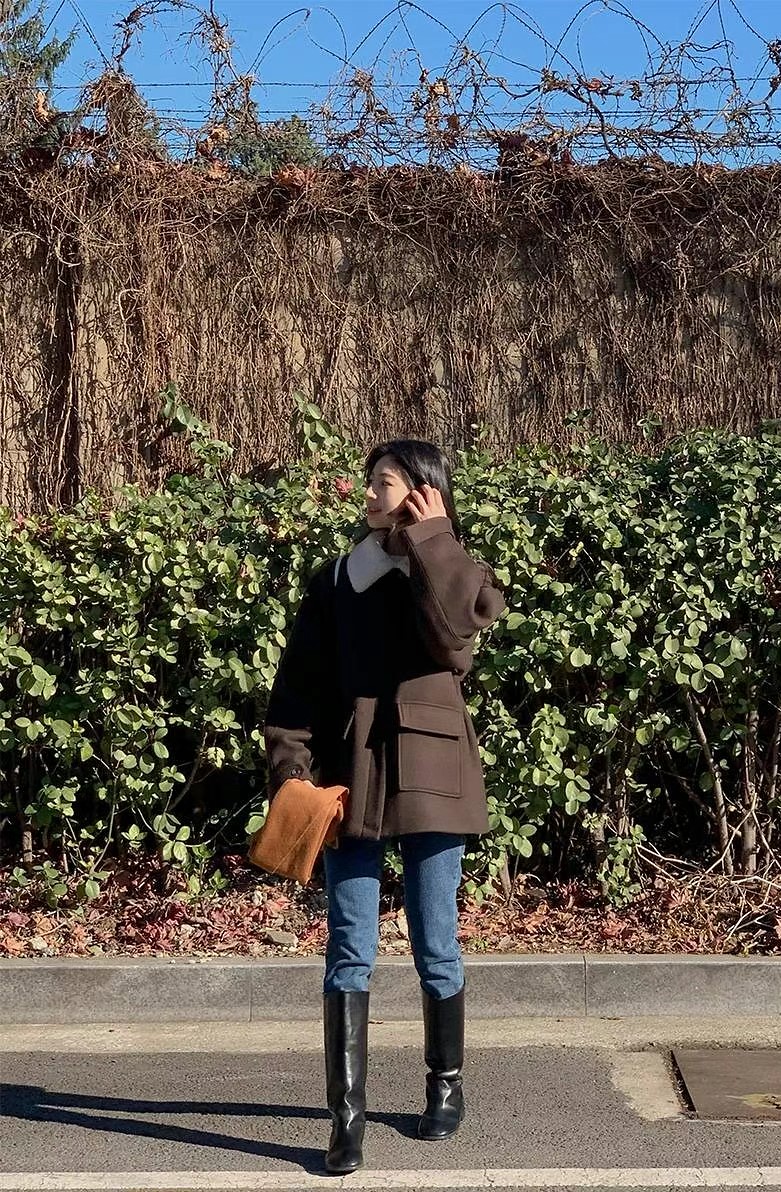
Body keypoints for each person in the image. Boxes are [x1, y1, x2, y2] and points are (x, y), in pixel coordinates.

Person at [263, 439, 506, 1175]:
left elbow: (457, 640)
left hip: (434, 770)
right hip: (353, 774)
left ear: (423, 492)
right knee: (349, 945)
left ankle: (446, 1085)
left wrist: (433, 540)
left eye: (385, 482)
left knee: (437, 940)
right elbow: (297, 687)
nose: (369, 492)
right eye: (369, 481)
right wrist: (291, 770)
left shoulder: (451, 566)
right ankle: (346, 1120)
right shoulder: (338, 579)